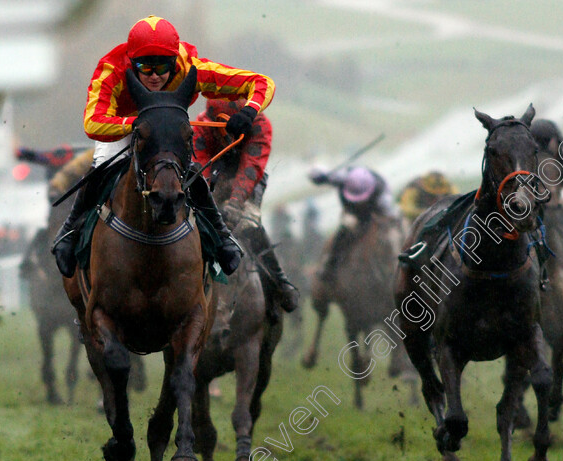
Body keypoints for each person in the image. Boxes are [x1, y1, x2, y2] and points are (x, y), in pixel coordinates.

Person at [51, 15, 275, 279]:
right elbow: (93, 123)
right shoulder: (111, 69)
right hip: (124, 127)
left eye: (162, 66)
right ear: (131, 62)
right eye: (144, 68)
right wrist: (139, 124)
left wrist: (249, 111)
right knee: (101, 167)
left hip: (167, 134)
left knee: (189, 170)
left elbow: (261, 83)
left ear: (174, 61)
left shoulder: (191, 67)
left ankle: (221, 237)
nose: (155, 75)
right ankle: (69, 232)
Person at [192, 98, 299, 311]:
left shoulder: (260, 126)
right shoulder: (200, 126)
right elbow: (200, 167)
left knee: (249, 224)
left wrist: (235, 202)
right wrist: (207, 205)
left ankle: (279, 281)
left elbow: (251, 168)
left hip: (250, 179)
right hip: (214, 175)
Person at [309, 166, 399, 285]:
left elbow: (390, 216)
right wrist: (318, 177)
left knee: (392, 235)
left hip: (375, 214)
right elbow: (323, 177)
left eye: (361, 199)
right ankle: (329, 266)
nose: (359, 202)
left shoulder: (383, 196)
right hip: (353, 214)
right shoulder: (342, 177)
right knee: (344, 230)